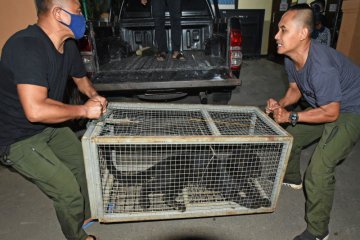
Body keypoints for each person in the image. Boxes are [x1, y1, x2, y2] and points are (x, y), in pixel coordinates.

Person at [0, 0, 108, 239]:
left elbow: (81, 79)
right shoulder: (25, 47)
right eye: (79, 12)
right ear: (60, 14)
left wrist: (94, 97)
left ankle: (86, 213)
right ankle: (76, 236)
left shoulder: (66, 45)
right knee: (67, 189)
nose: (84, 17)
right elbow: (36, 111)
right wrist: (84, 111)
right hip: (17, 137)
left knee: (83, 165)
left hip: (49, 125)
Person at [266, 4, 360, 240]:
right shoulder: (291, 57)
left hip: (351, 110)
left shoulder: (320, 67)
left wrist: (292, 116)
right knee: (293, 138)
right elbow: (295, 90)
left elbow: (331, 113)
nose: (276, 36)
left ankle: (318, 232)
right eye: (278, 29)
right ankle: (292, 178)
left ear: (302, 34)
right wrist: (281, 105)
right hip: (329, 104)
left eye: (283, 30)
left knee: (318, 171)